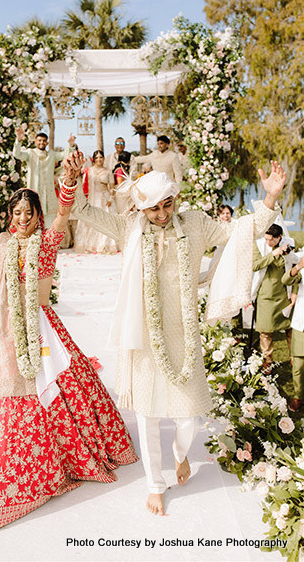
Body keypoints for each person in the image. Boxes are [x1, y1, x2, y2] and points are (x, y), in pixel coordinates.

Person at [0, 154, 137, 534]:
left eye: (29, 212)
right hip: (7, 330)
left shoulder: (47, 242)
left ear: (36, 215)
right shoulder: (1, 242)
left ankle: (64, 457)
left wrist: (70, 182)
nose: (22, 218)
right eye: (16, 212)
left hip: (42, 329)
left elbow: (63, 216)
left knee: (61, 391)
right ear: (9, 215)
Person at [71, 161, 286, 516]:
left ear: (176, 197)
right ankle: (155, 484)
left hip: (183, 334)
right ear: (141, 208)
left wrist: (270, 199)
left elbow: (240, 232)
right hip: (143, 333)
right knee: (148, 415)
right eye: (152, 208)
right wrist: (70, 182)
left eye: (167, 204)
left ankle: (180, 454)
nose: (161, 214)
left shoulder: (197, 224)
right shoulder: (130, 229)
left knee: (188, 419)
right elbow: (82, 211)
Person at [13, 128, 77, 228]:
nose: (41, 143)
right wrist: (19, 140)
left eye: (43, 141)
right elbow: (17, 154)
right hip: (34, 190)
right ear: (35, 142)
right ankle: (34, 240)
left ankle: (48, 240)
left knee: (49, 219)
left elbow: (65, 155)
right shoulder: (30, 153)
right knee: (33, 214)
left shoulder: (51, 154)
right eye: (39, 140)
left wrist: (71, 145)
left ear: (47, 143)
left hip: (48, 193)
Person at [252, 223, 293, 371]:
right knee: (265, 331)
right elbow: (254, 265)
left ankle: (294, 359)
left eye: (271, 240)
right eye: (266, 239)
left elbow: (292, 265)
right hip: (265, 294)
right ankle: (267, 361)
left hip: (283, 293)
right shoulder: (258, 246)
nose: (268, 242)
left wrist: (285, 253)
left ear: (279, 237)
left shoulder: (288, 245)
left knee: (290, 329)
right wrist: (272, 254)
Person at [75, 151, 117, 254]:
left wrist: (111, 199)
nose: (99, 159)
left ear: (104, 159)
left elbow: (112, 187)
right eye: (97, 157)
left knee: (104, 221)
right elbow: (79, 180)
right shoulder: (88, 171)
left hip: (104, 199)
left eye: (101, 157)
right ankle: (89, 245)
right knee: (90, 221)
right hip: (92, 199)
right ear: (94, 159)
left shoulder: (108, 171)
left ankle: (104, 245)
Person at [281, 254, 304, 412]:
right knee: (298, 364)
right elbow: (286, 280)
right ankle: (298, 395)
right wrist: (298, 267)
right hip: (301, 321)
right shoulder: (301, 267)